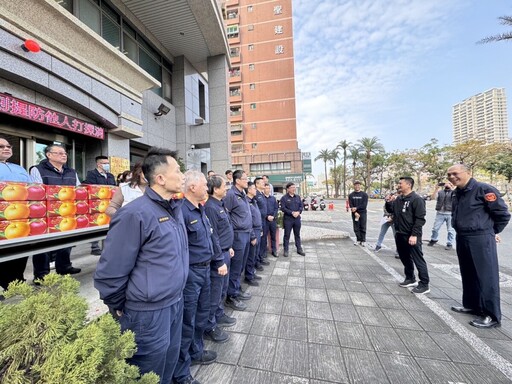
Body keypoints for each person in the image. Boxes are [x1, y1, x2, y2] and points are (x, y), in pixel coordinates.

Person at [94, 147, 188, 382]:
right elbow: (111, 268)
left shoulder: (174, 209)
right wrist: (116, 304)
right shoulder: (134, 214)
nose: (183, 175)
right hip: (148, 312)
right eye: (178, 170)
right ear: (160, 178)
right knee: (146, 371)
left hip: (174, 303)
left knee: (167, 364)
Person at [448, 164, 510, 329]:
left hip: (480, 238)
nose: (452, 177)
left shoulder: (484, 189)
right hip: (463, 237)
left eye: (455, 173)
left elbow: (502, 214)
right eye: (449, 175)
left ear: (468, 173)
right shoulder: (457, 193)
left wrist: (491, 231)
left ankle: (491, 315)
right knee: (468, 273)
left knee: (486, 277)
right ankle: (471, 305)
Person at [174, 170, 219, 384]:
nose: (206, 189)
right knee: (187, 321)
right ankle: (182, 371)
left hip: (205, 270)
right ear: (192, 187)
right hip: (191, 274)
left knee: (202, 315)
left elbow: (210, 237)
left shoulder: (200, 210)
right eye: (203, 184)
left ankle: (196, 351)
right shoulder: (181, 212)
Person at [30, 144, 81, 281]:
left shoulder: (71, 172)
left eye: (64, 153)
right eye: (59, 153)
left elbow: (77, 190)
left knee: (66, 241)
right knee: (43, 244)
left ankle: (64, 267)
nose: (64, 155)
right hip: (46, 213)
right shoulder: (38, 170)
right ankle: (41, 274)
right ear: (49, 155)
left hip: (67, 212)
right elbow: (36, 192)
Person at [203, 175, 236, 344]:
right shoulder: (210, 207)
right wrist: (219, 258)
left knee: (222, 289)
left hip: (225, 252)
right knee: (214, 293)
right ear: (215, 189)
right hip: (218, 256)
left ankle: (219, 314)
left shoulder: (220, 204)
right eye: (224, 186)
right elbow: (213, 236)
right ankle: (210, 326)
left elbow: (224, 231)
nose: (227, 189)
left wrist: (228, 246)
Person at [0, 137, 31, 295]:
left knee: (20, 251)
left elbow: (32, 189)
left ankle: (16, 282)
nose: (6, 148)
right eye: (1, 146)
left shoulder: (19, 168)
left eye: (8, 146)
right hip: (2, 216)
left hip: (21, 217)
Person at [393, 177, 430, 294]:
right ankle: (410, 278)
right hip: (400, 233)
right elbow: (393, 211)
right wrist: (389, 202)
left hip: (412, 235)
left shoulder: (416, 199)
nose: (398, 185)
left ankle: (424, 284)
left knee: (418, 259)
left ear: (408, 185)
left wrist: (414, 234)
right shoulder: (399, 199)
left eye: (400, 183)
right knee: (404, 258)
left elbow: (420, 219)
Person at [223, 170, 252, 311]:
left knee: (241, 265)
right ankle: (231, 296)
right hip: (238, 235)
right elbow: (226, 215)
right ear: (237, 181)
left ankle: (237, 289)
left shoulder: (243, 194)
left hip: (246, 233)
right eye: (245, 179)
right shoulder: (231, 195)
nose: (247, 181)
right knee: (235, 267)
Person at [83, 155, 116, 255]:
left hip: (109, 202)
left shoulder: (110, 175)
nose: (107, 165)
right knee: (97, 223)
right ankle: (95, 246)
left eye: (108, 163)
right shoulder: (92, 174)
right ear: (99, 164)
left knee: (109, 225)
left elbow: (113, 187)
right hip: (97, 203)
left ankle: (108, 246)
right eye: (105, 163)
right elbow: (92, 187)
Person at [427, 181, 456, 250]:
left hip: (450, 213)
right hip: (440, 213)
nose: (447, 184)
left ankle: (449, 243)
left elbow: (456, 198)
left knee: (450, 230)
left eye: (449, 183)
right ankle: (434, 239)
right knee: (435, 228)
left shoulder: (454, 192)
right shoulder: (440, 192)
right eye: (446, 183)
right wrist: (436, 189)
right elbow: (433, 198)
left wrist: (452, 188)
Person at [244, 181, 262, 287]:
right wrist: (252, 235)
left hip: (257, 229)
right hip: (252, 230)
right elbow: (249, 220)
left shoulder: (253, 201)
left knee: (255, 253)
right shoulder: (246, 202)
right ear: (249, 190)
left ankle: (252, 272)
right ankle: (249, 276)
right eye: (254, 188)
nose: (256, 190)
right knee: (251, 255)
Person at [280, 182, 305, 257]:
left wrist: (298, 212)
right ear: (288, 189)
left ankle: (299, 248)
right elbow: (283, 208)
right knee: (287, 235)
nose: (294, 189)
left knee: (297, 235)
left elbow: (301, 206)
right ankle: (286, 250)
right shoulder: (284, 198)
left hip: (297, 219)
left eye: (294, 187)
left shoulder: (297, 197)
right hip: (288, 219)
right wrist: (291, 212)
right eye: (292, 187)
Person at [254, 177, 270, 267]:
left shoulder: (262, 194)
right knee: (258, 242)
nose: (264, 183)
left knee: (263, 240)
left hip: (264, 220)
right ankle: (257, 261)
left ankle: (260, 258)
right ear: (257, 184)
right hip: (259, 221)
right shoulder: (256, 194)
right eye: (262, 182)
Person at [348, 180, 368, 246]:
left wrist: (356, 208)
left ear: (360, 186)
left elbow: (364, 205)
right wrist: (355, 212)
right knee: (356, 227)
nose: (357, 186)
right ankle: (358, 239)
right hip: (355, 214)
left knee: (363, 226)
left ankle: (363, 240)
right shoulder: (351, 195)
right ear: (354, 186)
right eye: (356, 185)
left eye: (358, 185)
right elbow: (351, 204)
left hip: (362, 213)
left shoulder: (364, 195)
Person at [264, 183, 279, 257]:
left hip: (273, 220)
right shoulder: (262, 198)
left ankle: (274, 250)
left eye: (268, 188)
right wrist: (267, 217)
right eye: (266, 188)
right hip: (265, 220)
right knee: (264, 237)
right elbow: (261, 210)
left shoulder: (273, 198)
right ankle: (264, 252)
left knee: (273, 236)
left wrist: (273, 216)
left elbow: (276, 208)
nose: (267, 190)